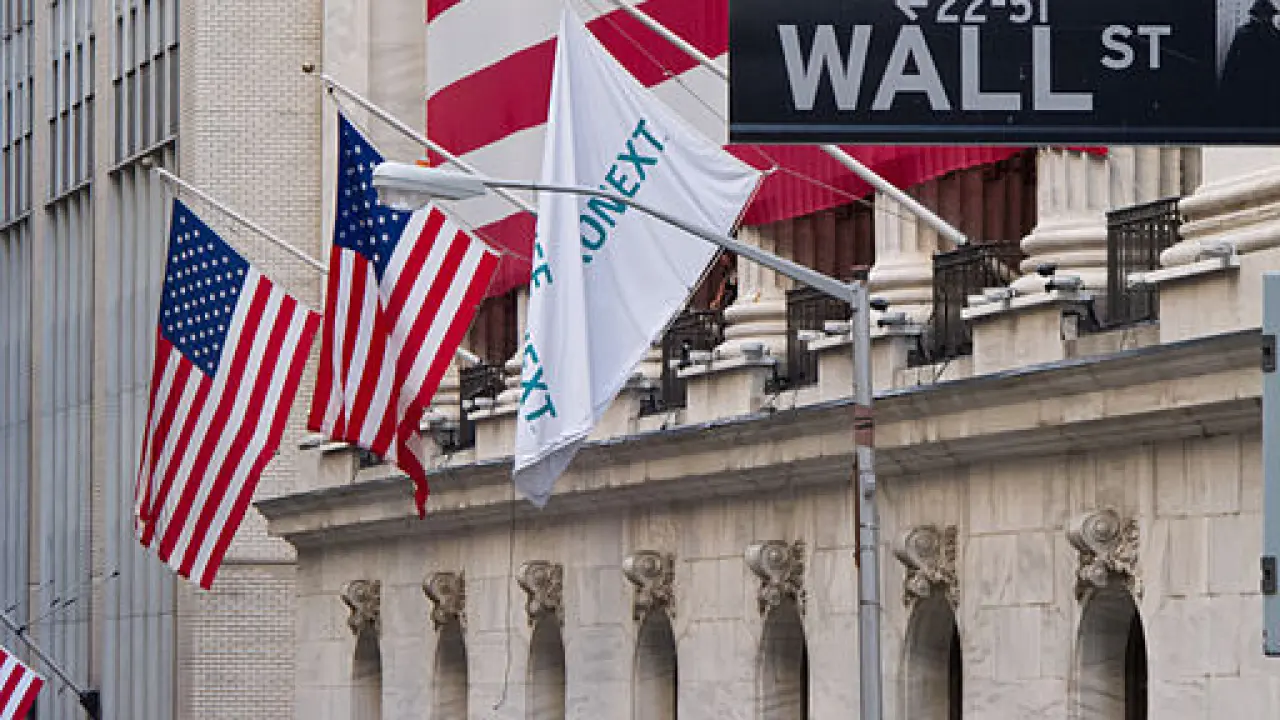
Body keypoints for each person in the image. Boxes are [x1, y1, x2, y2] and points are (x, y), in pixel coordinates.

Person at [1219, 0, 1280, 126]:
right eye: (1264, 15)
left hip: (1265, 87)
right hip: (1250, 86)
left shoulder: (1274, 36)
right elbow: (1232, 64)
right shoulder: (1245, 34)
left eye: (1268, 15)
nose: (1266, 18)